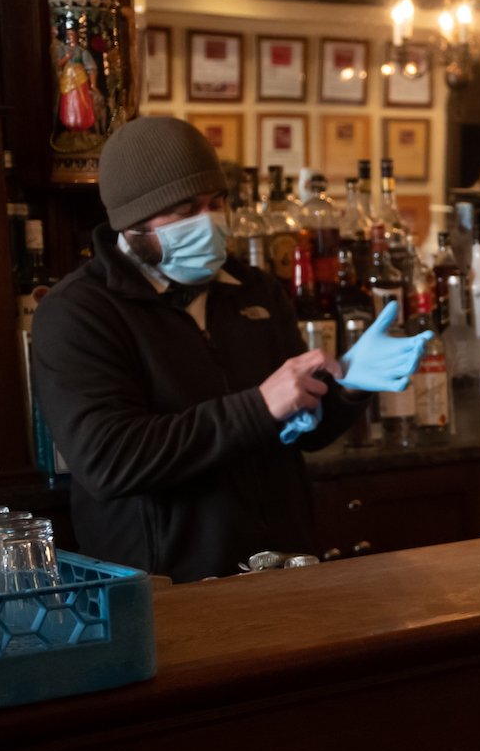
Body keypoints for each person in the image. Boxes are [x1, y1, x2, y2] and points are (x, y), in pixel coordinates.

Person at [31, 116, 369, 581]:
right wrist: (258, 406)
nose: (208, 222)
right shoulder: (77, 313)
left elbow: (303, 433)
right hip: (168, 588)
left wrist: (351, 387)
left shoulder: (256, 291)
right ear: (132, 223)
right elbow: (109, 460)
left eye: (217, 203)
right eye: (185, 209)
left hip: (286, 571)